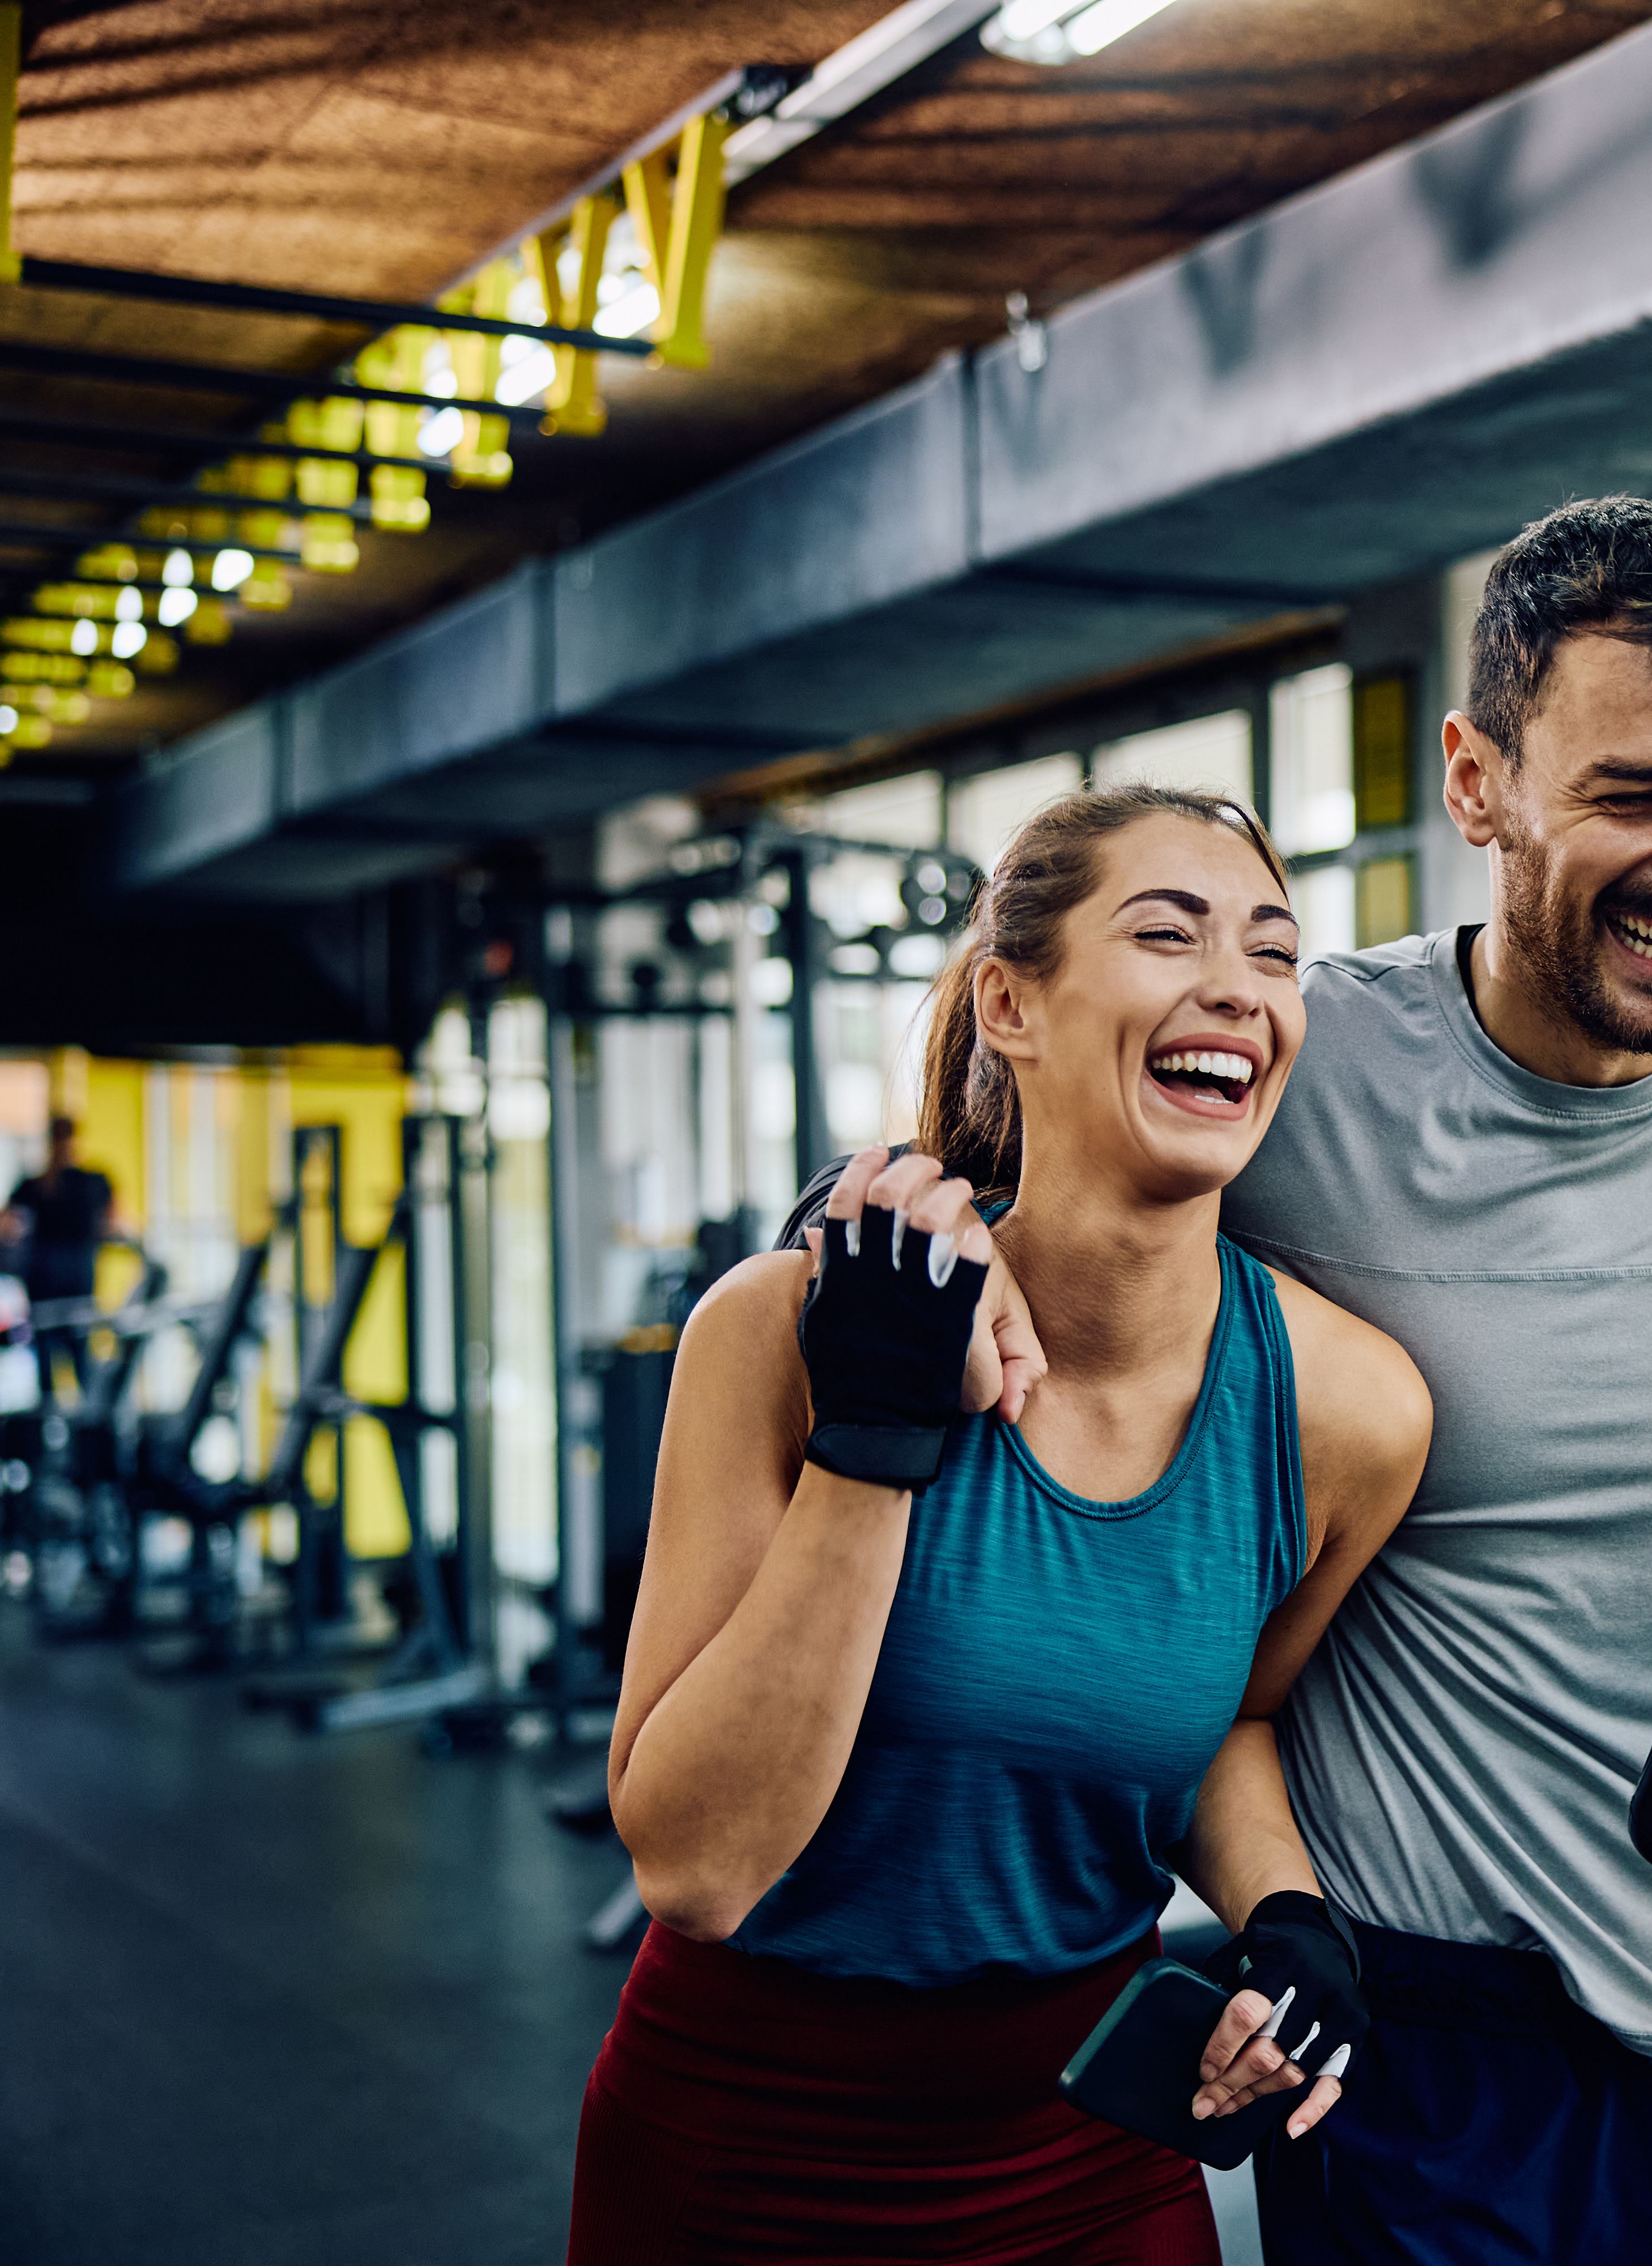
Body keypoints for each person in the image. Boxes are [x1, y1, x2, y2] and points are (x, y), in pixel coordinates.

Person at [830, 497, 1652, 2263]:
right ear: (1479, 783)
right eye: (1633, 793)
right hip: (1418, 2042)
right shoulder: (1302, 1063)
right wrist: (881, 1213)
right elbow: (991, 1165)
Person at [574, 785, 1433, 2265]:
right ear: (1011, 1005)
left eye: (1276, 954)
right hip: (738, 2146)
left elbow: (1235, 1717)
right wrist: (878, 1437)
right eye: (1169, 934)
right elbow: (697, 1869)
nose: (1237, 983)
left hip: (1088, 2152)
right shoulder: (778, 1330)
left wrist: (1287, 1914)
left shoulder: (1347, 1411)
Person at [5, 1115, 120, 1396]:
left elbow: (115, 1220)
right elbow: (7, 1222)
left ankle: (86, 1428)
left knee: (80, 1362)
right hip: (46, 1289)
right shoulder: (35, 1185)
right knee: (49, 1368)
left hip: (76, 1288)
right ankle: (54, 1430)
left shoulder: (93, 1181)